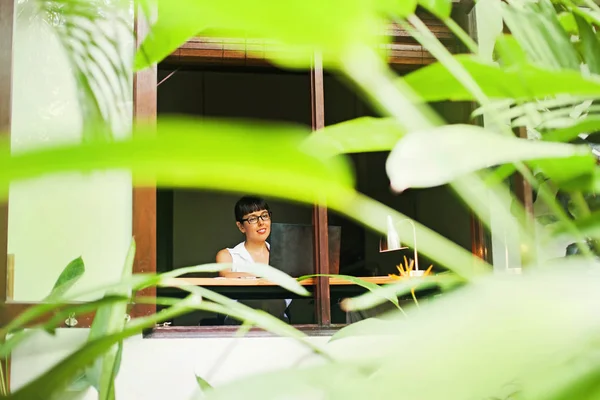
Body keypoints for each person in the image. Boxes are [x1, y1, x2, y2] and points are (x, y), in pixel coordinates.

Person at [216, 195, 290, 324]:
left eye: (264, 215)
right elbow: (226, 276)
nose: (261, 222)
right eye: (252, 219)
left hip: (278, 328)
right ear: (241, 226)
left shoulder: (284, 255)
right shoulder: (228, 255)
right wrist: (266, 275)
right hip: (237, 329)